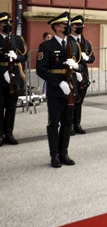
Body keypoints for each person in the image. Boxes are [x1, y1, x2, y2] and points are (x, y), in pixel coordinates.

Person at [36, 11, 81, 167]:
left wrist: (77, 67)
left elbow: (81, 64)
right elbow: (41, 70)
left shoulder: (73, 44)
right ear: (56, 27)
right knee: (54, 123)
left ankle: (64, 153)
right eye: (64, 25)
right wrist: (58, 83)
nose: (68, 27)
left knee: (68, 123)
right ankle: (54, 155)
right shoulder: (46, 46)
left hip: (70, 88)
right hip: (56, 90)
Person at [0, 12, 27, 146]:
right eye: (5, 23)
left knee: (11, 107)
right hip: (0, 77)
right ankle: (0, 134)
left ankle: (9, 133)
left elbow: (24, 56)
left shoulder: (17, 39)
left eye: (10, 22)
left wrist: (16, 57)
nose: (8, 25)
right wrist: (3, 71)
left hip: (14, 76)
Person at [70, 15, 94, 135]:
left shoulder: (86, 43)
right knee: (71, 100)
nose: (79, 27)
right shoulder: (68, 41)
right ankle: (69, 124)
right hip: (72, 74)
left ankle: (77, 124)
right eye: (76, 25)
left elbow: (92, 58)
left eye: (81, 25)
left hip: (83, 75)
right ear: (71, 26)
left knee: (79, 100)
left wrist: (87, 58)